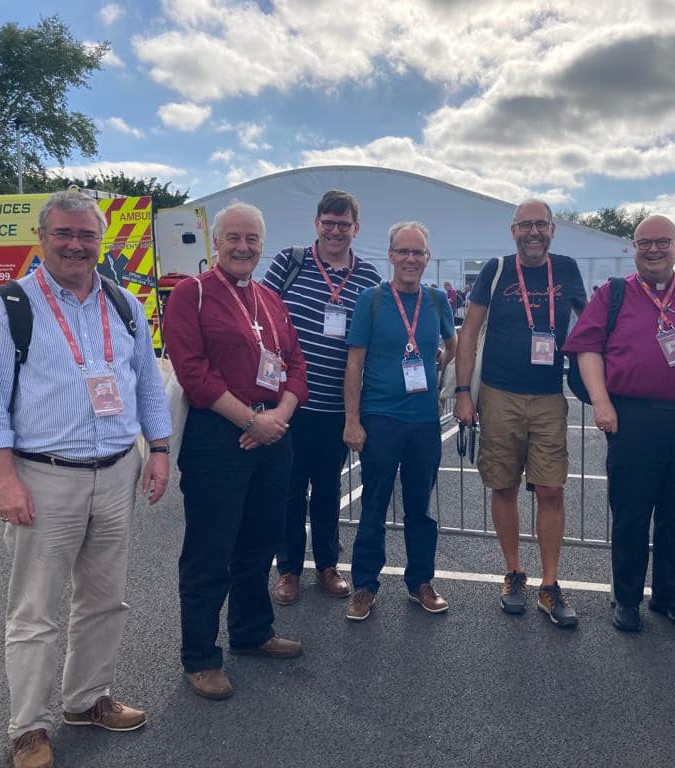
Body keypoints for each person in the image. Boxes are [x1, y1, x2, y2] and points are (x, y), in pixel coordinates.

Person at [0, 190, 171, 768]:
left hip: (115, 472)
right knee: (36, 611)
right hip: (44, 474)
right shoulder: (9, 307)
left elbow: (149, 384)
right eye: (64, 234)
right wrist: (3, 480)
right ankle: (28, 727)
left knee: (105, 600)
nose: (76, 245)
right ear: (43, 237)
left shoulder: (125, 304)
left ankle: (86, 699)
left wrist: (157, 449)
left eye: (86, 235)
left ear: (99, 242)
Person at [164, 202, 309, 700]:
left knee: (261, 540)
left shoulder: (270, 298)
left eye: (252, 239)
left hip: (273, 432)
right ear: (217, 243)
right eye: (234, 238)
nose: (243, 247)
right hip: (219, 436)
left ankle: (252, 632)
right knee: (211, 548)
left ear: (261, 244)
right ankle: (201, 656)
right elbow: (193, 371)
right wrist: (251, 420)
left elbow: (295, 365)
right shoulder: (192, 294)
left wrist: (277, 418)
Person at [564, 215, 675, 633]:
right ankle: (627, 598)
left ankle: (671, 597)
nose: (653, 250)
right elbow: (586, 350)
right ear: (633, 248)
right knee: (632, 515)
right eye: (644, 244)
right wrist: (602, 403)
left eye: (662, 243)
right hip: (634, 419)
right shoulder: (612, 294)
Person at [453, 199, 586, 628]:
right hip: (498, 394)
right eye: (525, 225)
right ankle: (513, 573)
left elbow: (589, 328)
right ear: (513, 231)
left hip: (548, 397)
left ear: (552, 229)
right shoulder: (495, 270)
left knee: (551, 489)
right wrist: (462, 392)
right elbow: (469, 332)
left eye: (541, 225)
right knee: (503, 485)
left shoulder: (566, 269)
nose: (533, 232)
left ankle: (550, 584)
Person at [262, 190, 382, 605]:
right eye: (328, 223)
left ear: (355, 229)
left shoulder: (368, 278)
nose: (335, 231)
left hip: (337, 404)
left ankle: (328, 566)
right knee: (290, 489)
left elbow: (380, 336)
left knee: (328, 489)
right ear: (317, 224)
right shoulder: (289, 262)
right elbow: (259, 315)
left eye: (343, 224)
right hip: (289, 403)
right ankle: (289, 569)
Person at [343, 222, 457, 621]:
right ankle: (365, 586)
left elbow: (452, 344)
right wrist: (352, 421)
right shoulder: (370, 300)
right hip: (381, 418)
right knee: (373, 505)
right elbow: (354, 362)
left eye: (419, 253)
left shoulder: (438, 300)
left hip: (423, 421)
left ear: (427, 258)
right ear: (390, 256)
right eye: (404, 252)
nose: (411, 259)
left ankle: (420, 582)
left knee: (420, 509)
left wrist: (439, 364)